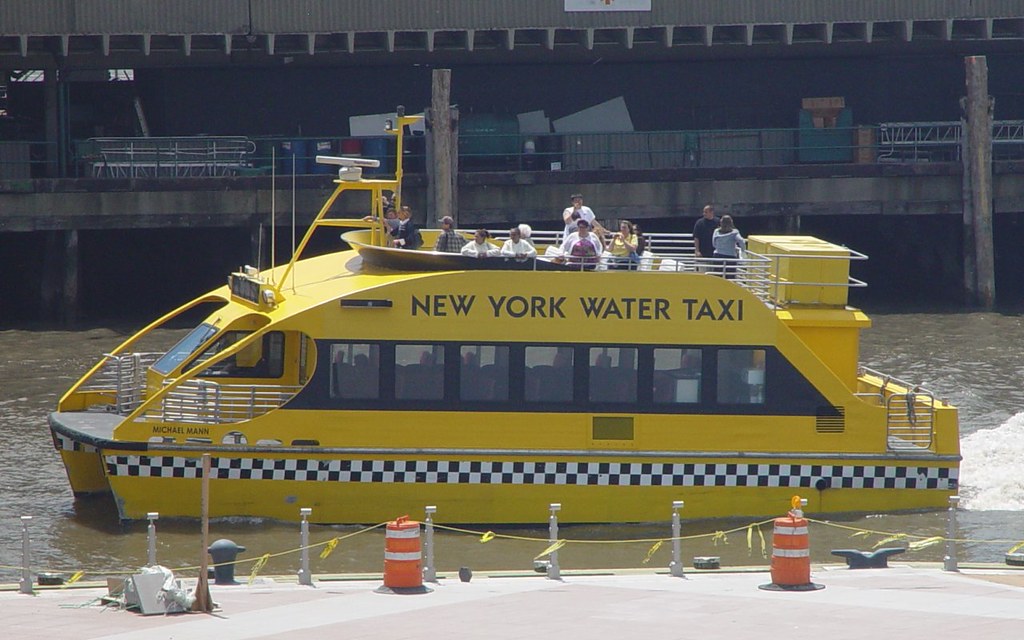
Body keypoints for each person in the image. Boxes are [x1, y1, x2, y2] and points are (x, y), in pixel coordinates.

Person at [711, 214, 746, 279]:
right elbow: (742, 241)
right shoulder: (735, 232)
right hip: (730, 257)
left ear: (721, 222)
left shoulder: (716, 231)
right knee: (730, 277)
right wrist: (743, 250)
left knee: (718, 277)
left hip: (718, 256)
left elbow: (714, 244)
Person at [693, 204, 720, 272]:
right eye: (703, 212)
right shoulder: (699, 223)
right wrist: (697, 251)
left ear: (711, 212)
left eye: (706, 212)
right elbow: (696, 237)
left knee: (714, 273)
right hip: (703, 253)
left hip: (714, 253)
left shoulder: (718, 222)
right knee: (703, 272)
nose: (704, 214)